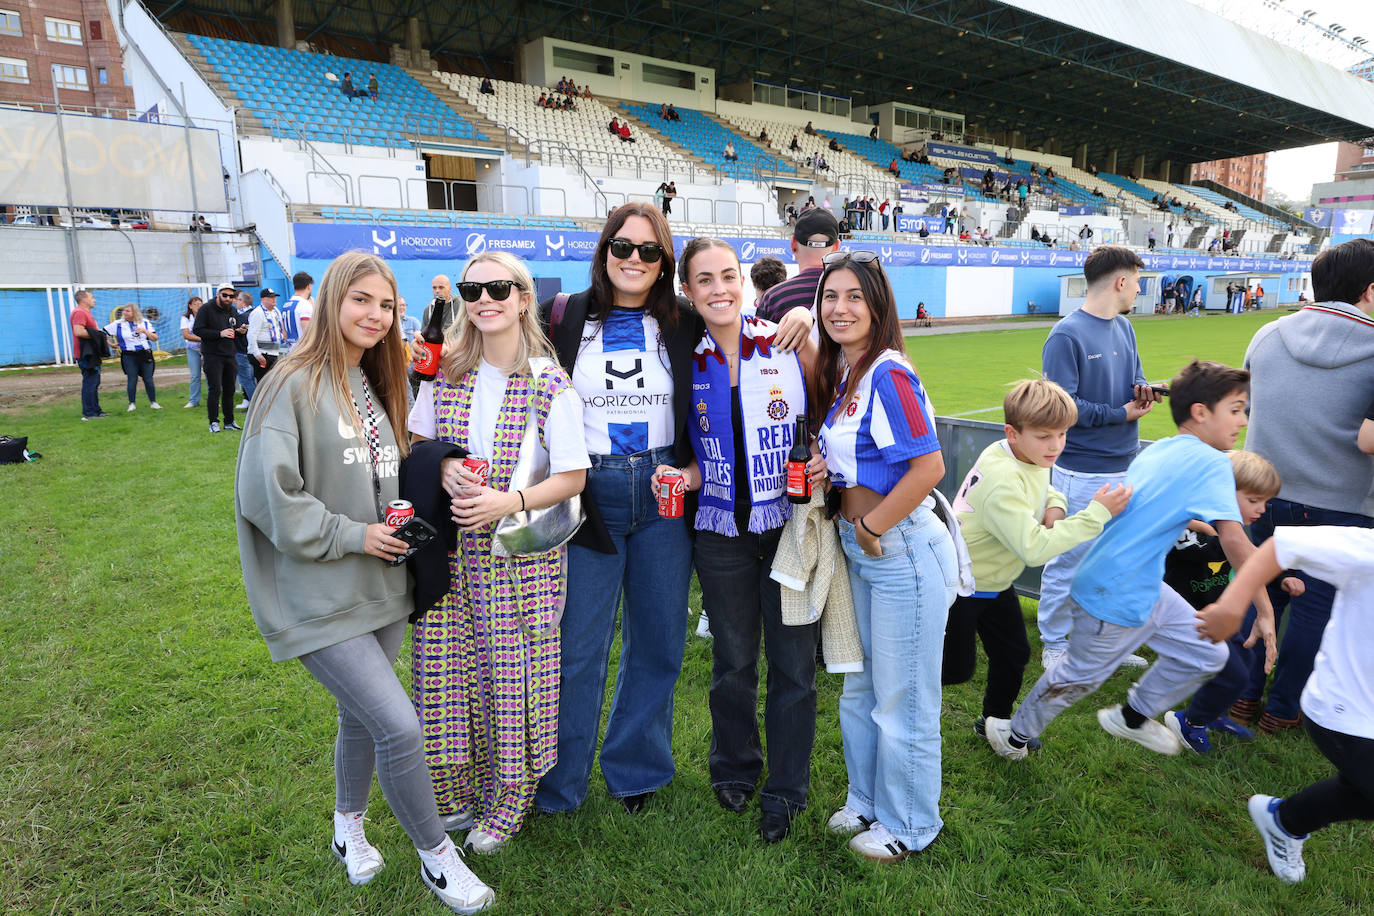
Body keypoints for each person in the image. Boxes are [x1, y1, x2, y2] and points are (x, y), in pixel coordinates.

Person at [234, 251, 494, 913]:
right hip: (317, 596)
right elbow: (271, 498)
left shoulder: (374, 380)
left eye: (386, 305)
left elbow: (389, 468)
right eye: (362, 301)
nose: (375, 316)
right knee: (400, 729)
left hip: (380, 588)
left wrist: (435, 471)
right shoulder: (290, 383)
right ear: (331, 301)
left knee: (361, 718)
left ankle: (347, 827)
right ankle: (439, 858)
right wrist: (355, 535)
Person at [984, 360, 1273, 760]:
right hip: (1112, 591)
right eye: (1236, 409)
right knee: (1078, 678)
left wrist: (1193, 522)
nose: (1243, 420)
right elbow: (1237, 540)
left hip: (1144, 585)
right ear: (1201, 412)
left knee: (1208, 652)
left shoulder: (1166, 449)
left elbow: (1155, 508)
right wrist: (1264, 609)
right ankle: (1015, 736)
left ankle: (1133, 717)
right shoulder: (1211, 463)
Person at [408, 252, 590, 855]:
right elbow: (417, 440)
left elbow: (571, 477)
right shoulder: (446, 372)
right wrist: (449, 466)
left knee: (514, 679)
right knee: (447, 674)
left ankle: (508, 801)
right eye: (472, 289)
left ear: (522, 297)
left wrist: (506, 501)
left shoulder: (548, 381)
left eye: (498, 288)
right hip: (453, 553)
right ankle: (455, 790)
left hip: (521, 557)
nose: (484, 299)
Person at [530, 203, 695, 816]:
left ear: (663, 264)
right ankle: (558, 783)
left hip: (664, 491)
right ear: (603, 252)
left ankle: (636, 772)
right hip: (585, 491)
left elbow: (741, 349)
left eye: (648, 251)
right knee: (576, 648)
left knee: (658, 640)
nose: (633, 259)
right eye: (622, 247)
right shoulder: (566, 315)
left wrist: (799, 329)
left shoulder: (683, 322)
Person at [653, 237, 820, 843]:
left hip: (787, 527)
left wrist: (807, 313)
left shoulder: (784, 341)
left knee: (794, 665)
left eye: (729, 275)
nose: (719, 289)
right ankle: (735, 767)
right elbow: (696, 451)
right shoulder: (682, 357)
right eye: (705, 280)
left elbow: (824, 415)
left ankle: (785, 786)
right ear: (690, 292)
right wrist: (686, 475)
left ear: (744, 282)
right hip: (719, 532)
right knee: (733, 661)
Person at [814, 249, 959, 862]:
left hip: (900, 549)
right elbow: (865, 457)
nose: (839, 309)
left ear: (878, 306)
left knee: (905, 697)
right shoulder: (850, 372)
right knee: (862, 689)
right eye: (830, 297)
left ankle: (910, 825)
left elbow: (930, 465)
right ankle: (867, 800)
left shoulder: (889, 371)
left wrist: (871, 524)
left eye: (854, 297)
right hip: (865, 548)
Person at [1234, 238, 1374, 734]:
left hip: (1264, 494)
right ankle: (1284, 708)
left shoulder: (1268, 333)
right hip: (1343, 504)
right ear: (1370, 290)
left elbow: (1245, 404)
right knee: (1315, 610)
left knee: (1261, 594)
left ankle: (1242, 697)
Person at [945, 379, 1129, 741]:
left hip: (996, 583)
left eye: (1062, 434)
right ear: (1013, 432)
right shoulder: (1002, 480)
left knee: (1014, 654)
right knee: (953, 670)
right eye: (1045, 436)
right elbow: (1034, 550)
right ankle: (885, 686)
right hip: (961, 586)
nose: (1056, 445)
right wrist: (1096, 514)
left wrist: (1056, 505)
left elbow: (1045, 486)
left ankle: (994, 721)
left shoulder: (1022, 452)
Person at [1194, 527, 1374, 885]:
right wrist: (1233, 605)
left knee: (1364, 790)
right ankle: (1286, 820)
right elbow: (1279, 547)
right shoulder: (1365, 548)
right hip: (1345, 710)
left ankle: (1286, 820)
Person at [1038, 246, 1161, 668]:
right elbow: (1061, 407)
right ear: (1121, 282)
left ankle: (1096, 644)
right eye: (1138, 281)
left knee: (1114, 563)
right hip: (1082, 470)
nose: (1140, 289)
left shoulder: (1125, 330)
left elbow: (1135, 378)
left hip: (1126, 464)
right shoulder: (1067, 334)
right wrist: (1118, 413)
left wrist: (1143, 392)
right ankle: (1055, 644)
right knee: (1067, 561)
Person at [1163, 450, 1296, 753]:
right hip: (1184, 616)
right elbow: (1165, 517)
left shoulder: (1230, 529)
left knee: (1244, 663)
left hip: (1219, 612)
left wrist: (1281, 577)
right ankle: (1190, 722)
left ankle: (1211, 714)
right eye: (1253, 500)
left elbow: (1251, 553)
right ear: (1221, 491)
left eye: (1265, 501)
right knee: (1230, 671)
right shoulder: (1185, 525)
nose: (1262, 510)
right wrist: (1203, 527)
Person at [755, 209, 839, 332]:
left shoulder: (773, 298)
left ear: (793, 243)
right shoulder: (857, 296)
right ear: (836, 247)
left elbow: (759, 345)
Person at [193, 282, 243, 433]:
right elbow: (197, 329)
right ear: (218, 294)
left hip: (230, 354)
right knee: (215, 389)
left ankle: (229, 421)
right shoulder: (206, 309)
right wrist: (219, 334)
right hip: (212, 355)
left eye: (231, 296)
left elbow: (236, 328)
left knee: (230, 390)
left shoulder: (233, 311)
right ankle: (213, 422)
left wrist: (242, 330)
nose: (228, 298)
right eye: (225, 295)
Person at [105, 303, 160, 411]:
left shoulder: (144, 322)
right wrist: (110, 343)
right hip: (129, 355)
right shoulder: (118, 324)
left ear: (134, 312)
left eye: (127, 311)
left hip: (145, 353)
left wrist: (145, 331)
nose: (124, 313)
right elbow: (103, 333)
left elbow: (155, 338)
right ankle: (132, 404)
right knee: (132, 379)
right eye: (124, 311)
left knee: (148, 379)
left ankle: (153, 402)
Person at [70, 289, 108, 420]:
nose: (94, 300)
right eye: (92, 297)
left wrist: (102, 338)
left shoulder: (86, 312)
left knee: (94, 382)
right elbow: (79, 332)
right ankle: (89, 413)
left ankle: (96, 410)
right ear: (84, 299)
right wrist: (98, 335)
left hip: (92, 353)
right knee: (90, 383)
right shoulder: (79, 312)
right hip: (86, 354)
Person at [247, 288, 285, 381]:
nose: (274, 299)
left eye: (274, 297)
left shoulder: (276, 311)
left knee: (273, 381)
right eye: (270, 297)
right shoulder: (258, 313)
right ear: (262, 299)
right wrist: (257, 354)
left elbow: (278, 328)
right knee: (263, 382)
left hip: (273, 352)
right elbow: (251, 334)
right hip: (262, 353)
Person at [233, 290, 257, 409]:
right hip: (253, 351)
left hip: (242, 351)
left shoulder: (241, 316)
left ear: (242, 301)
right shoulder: (256, 313)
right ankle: (251, 402)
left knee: (247, 380)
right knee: (251, 379)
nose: (235, 302)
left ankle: (254, 405)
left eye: (237, 300)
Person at [280, 272, 314, 354]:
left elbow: (284, 334)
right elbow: (308, 331)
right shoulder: (304, 304)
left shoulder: (286, 305)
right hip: (303, 354)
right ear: (309, 286)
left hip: (291, 352)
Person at [181, 296, 203, 409]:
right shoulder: (185, 318)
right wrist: (202, 338)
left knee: (210, 375)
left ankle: (213, 399)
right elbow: (186, 335)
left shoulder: (205, 316)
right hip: (192, 349)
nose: (198, 306)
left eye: (200, 304)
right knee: (195, 375)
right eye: (195, 304)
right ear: (190, 306)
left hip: (206, 349)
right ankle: (193, 400)